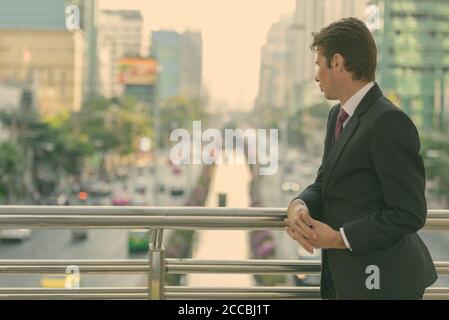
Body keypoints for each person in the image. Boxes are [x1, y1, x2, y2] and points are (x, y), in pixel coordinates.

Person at [284, 17, 437, 300]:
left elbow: (409, 212)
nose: (316, 77)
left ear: (338, 62)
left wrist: (339, 238)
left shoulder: (389, 121)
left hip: (385, 283)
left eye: (319, 65)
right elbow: (324, 181)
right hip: (345, 280)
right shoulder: (337, 116)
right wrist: (299, 204)